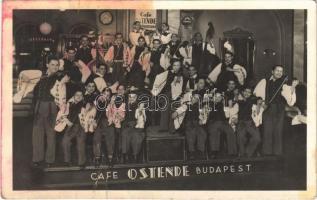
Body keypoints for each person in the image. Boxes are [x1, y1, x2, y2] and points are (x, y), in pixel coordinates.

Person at [253, 65, 298, 156]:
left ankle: (277, 153)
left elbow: (290, 101)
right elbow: (256, 94)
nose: (279, 73)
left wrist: (293, 87)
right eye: (277, 70)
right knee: (267, 131)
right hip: (268, 108)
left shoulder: (284, 84)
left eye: (281, 71)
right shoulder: (264, 81)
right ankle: (266, 153)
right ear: (272, 71)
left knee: (278, 131)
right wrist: (262, 103)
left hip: (279, 109)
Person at [32, 56, 59, 167]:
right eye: (52, 64)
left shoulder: (59, 77)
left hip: (51, 106)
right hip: (39, 106)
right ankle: (37, 158)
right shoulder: (42, 76)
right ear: (47, 65)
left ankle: (49, 160)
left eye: (57, 65)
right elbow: (35, 91)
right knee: (37, 133)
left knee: (50, 133)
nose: (55, 67)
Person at [151, 58, 184, 133]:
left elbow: (179, 88)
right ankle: (165, 127)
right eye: (175, 65)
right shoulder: (167, 73)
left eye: (178, 65)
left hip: (174, 95)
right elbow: (158, 80)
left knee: (172, 107)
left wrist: (177, 96)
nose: (176, 67)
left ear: (180, 66)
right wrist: (155, 92)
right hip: (164, 93)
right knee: (166, 107)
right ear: (172, 66)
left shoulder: (180, 76)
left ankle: (172, 128)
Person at [207, 92, 237, 159]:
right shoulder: (209, 104)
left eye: (219, 97)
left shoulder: (223, 105)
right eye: (216, 97)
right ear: (213, 98)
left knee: (230, 131)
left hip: (223, 122)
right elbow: (205, 115)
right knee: (214, 131)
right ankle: (214, 151)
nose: (218, 98)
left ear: (221, 98)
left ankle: (232, 152)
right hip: (213, 122)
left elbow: (229, 114)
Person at [62, 89, 86, 167]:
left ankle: (81, 163)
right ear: (74, 96)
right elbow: (63, 114)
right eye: (77, 95)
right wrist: (67, 121)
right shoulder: (69, 104)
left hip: (81, 127)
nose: (79, 97)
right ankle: (67, 161)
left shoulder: (84, 105)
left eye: (80, 95)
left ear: (82, 97)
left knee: (80, 144)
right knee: (65, 142)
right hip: (71, 127)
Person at [185, 78, 207, 160]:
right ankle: (191, 152)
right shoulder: (191, 93)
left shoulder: (206, 94)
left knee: (201, 132)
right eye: (201, 83)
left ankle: (201, 152)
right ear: (196, 83)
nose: (202, 85)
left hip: (200, 119)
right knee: (191, 132)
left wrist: (202, 119)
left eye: (204, 83)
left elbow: (206, 109)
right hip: (190, 119)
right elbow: (184, 104)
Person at [236, 86, 261, 157]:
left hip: (250, 122)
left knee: (257, 138)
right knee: (240, 138)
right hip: (241, 122)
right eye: (245, 92)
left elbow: (258, 110)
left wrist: (259, 101)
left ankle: (248, 153)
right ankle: (242, 153)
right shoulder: (238, 100)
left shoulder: (252, 100)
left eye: (249, 92)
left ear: (251, 94)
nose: (247, 93)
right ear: (243, 92)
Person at [121, 92, 146, 163]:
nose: (131, 99)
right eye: (130, 97)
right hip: (128, 126)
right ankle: (125, 155)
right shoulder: (125, 106)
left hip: (137, 126)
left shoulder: (140, 106)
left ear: (136, 98)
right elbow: (123, 118)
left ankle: (135, 156)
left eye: (133, 97)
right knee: (125, 134)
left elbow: (143, 119)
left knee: (136, 136)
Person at [106, 85, 126, 165]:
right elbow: (108, 111)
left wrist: (122, 118)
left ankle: (120, 154)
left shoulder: (127, 99)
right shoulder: (113, 98)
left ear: (125, 91)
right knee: (112, 132)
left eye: (122, 89)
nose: (120, 91)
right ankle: (112, 156)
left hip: (124, 121)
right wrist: (111, 104)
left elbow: (129, 112)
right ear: (116, 90)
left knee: (121, 133)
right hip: (113, 121)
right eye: (119, 89)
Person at [93, 87, 113, 166]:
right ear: (101, 94)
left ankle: (110, 158)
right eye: (104, 94)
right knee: (96, 137)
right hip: (97, 122)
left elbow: (112, 115)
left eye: (108, 95)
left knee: (110, 136)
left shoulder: (110, 104)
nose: (105, 96)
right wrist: (93, 121)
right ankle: (97, 157)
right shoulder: (95, 102)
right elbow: (92, 113)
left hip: (107, 121)